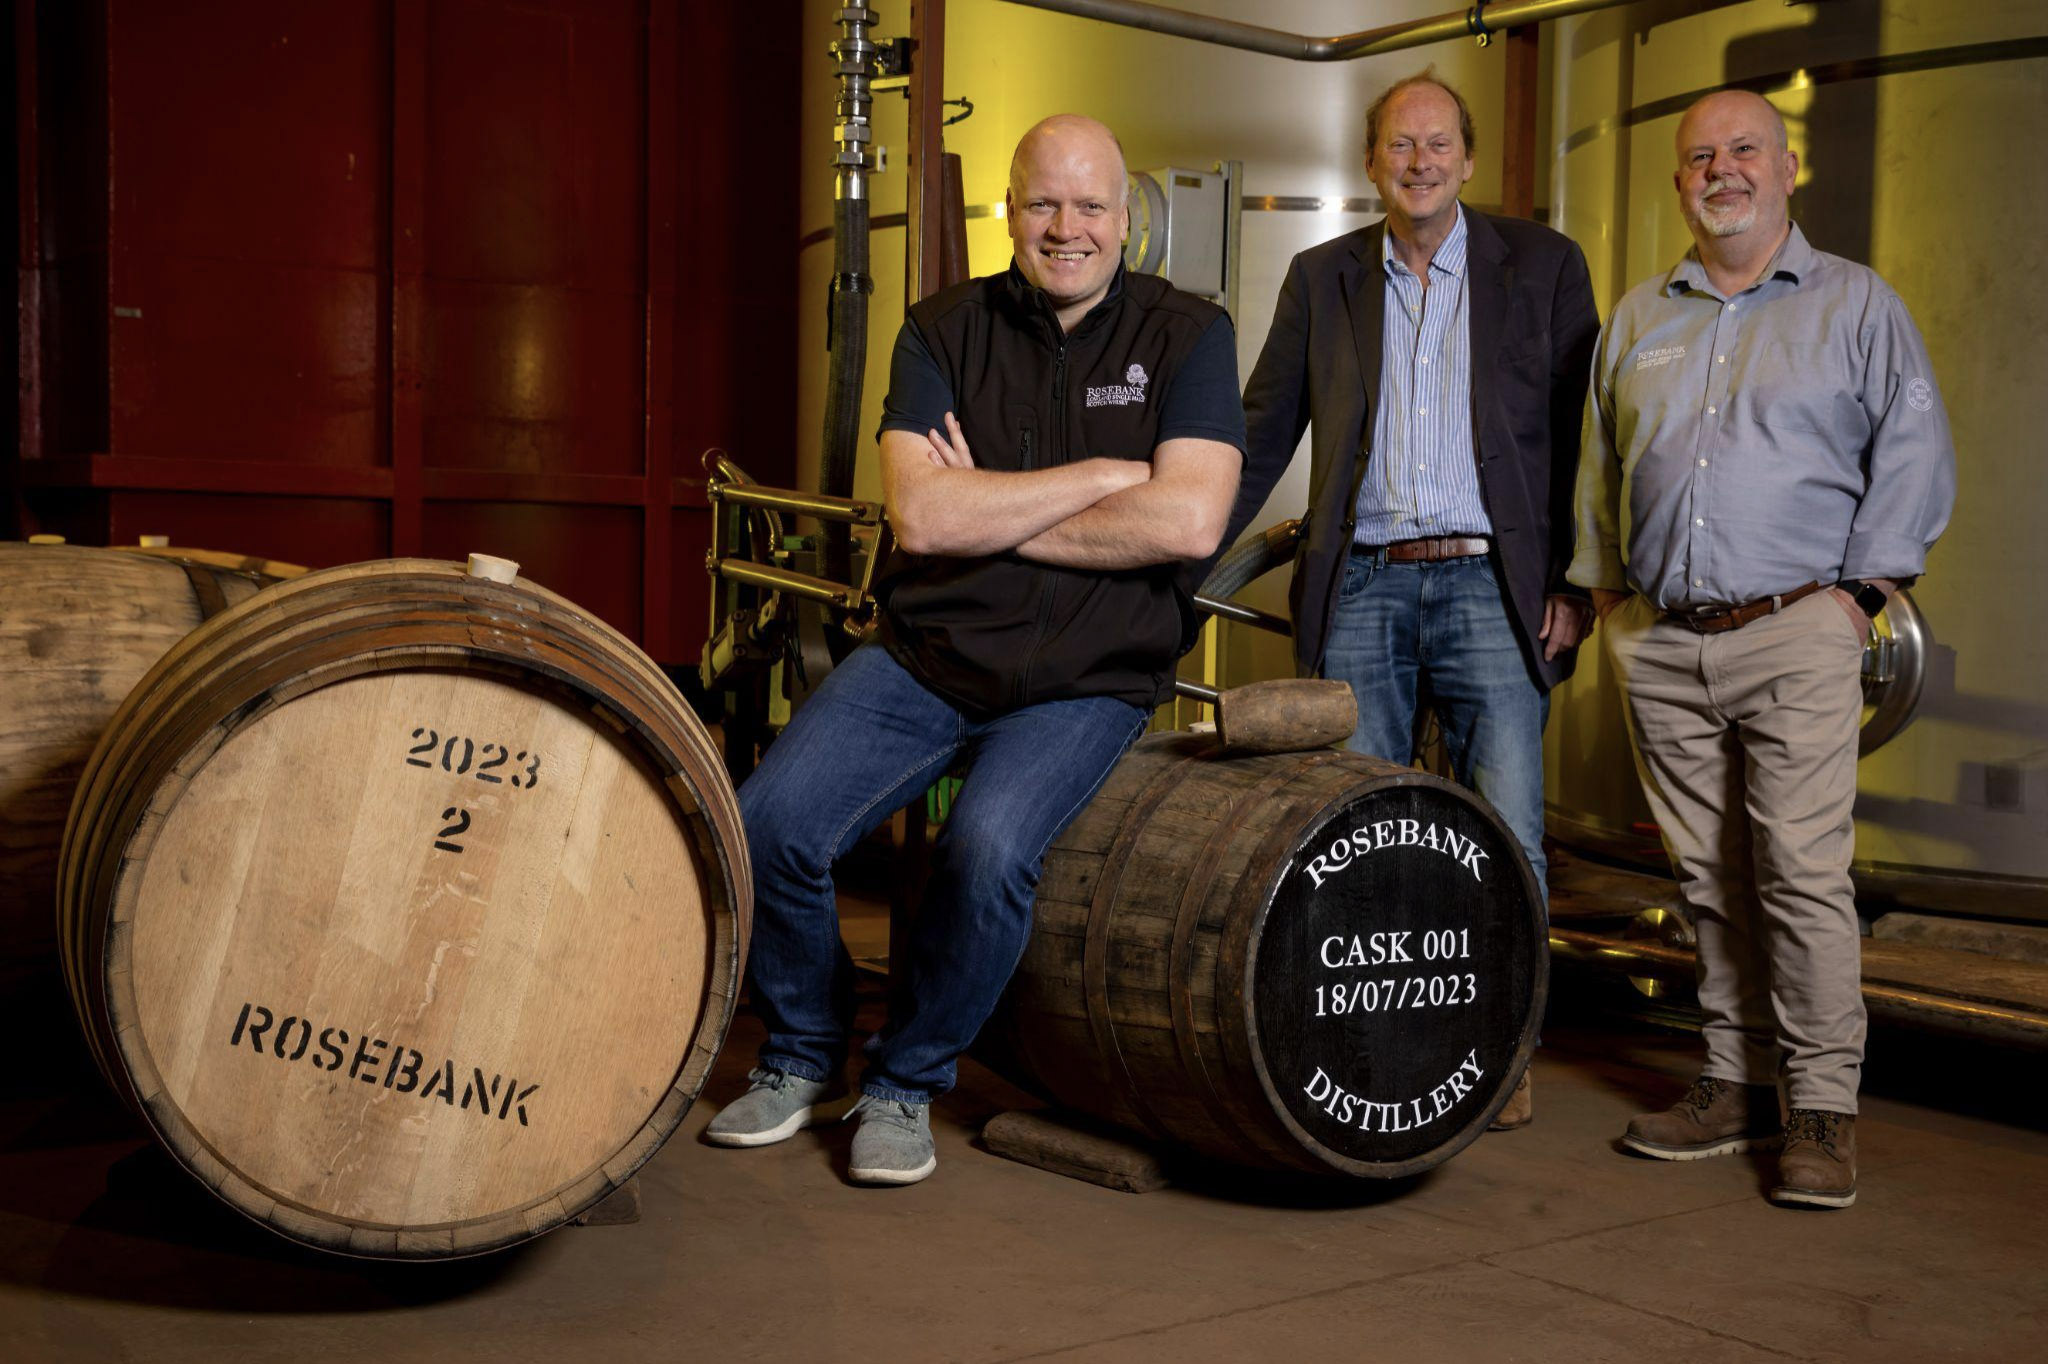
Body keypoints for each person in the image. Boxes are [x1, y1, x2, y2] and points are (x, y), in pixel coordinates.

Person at [705, 114, 1245, 1186]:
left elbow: (1187, 524)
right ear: (1009, 210)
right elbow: (920, 520)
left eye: (1090, 204)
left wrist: (987, 502)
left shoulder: (1187, 334)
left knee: (987, 852)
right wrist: (1105, 474)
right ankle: (807, 1049)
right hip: (928, 655)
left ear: (1123, 217)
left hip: (1086, 680)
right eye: (1044, 202)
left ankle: (905, 1079)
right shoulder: (938, 329)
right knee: (766, 822)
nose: (1067, 226)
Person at [1571, 89, 1955, 1208]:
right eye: (1698, 157)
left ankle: (1820, 1107)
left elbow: (1912, 455)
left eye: (1742, 151)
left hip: (1797, 630)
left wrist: (1856, 598)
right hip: (1662, 641)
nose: (1718, 170)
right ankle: (1730, 1079)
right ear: (1677, 182)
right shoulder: (1641, 314)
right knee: (1703, 874)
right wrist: (1604, 603)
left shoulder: (1855, 305)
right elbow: (1598, 468)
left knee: (1796, 873)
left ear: (1786, 170)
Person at [1230, 70, 1600, 1130]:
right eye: (1400, 145)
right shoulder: (1320, 277)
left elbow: (1586, 439)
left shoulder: (1541, 267)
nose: (1420, 162)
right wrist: (1182, 552)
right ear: (1370, 163)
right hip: (1364, 581)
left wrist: (1577, 581)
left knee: (1508, 829)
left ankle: (1499, 1049)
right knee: (1352, 825)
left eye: (1438, 144)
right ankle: (1368, 1044)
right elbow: (1262, 434)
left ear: (1467, 159)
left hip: (1493, 581)